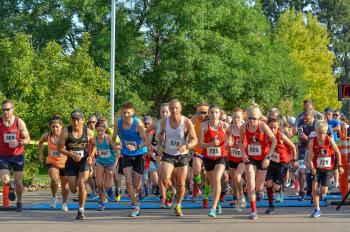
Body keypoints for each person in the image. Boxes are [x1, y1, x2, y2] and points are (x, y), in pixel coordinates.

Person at [158, 99, 198, 216]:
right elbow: (159, 135)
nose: (174, 110)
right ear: (169, 109)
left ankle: (178, 205)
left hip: (182, 155)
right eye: (171, 108)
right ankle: (171, 191)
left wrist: (187, 146)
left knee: (181, 183)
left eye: (176, 108)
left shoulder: (186, 122)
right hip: (168, 154)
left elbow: (195, 139)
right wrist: (160, 145)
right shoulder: (164, 122)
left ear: (180, 109)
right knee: (165, 179)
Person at [112, 102, 150, 217]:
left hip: (139, 154)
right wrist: (117, 148)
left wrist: (137, 146)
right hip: (126, 154)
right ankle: (136, 207)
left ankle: (139, 191)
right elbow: (113, 140)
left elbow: (147, 141)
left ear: (132, 113)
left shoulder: (137, 124)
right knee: (128, 182)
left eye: (128, 113)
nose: (126, 115)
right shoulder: (118, 124)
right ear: (121, 113)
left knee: (135, 184)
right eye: (124, 113)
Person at [239, 104, 277, 220]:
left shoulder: (263, 126)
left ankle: (260, 191)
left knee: (259, 186)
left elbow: (274, 140)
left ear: (259, 118)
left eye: (254, 118)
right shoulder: (243, 127)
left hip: (263, 157)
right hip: (250, 157)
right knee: (250, 179)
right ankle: (253, 210)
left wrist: (268, 157)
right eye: (249, 118)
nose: (251, 121)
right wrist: (243, 154)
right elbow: (241, 142)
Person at [57, 109, 96, 220]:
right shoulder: (66, 131)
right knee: (74, 189)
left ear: (83, 120)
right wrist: (71, 154)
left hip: (84, 162)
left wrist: (91, 156)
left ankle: (81, 210)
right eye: (73, 119)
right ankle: (79, 190)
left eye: (78, 120)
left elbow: (95, 145)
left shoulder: (88, 132)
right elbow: (59, 148)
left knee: (82, 183)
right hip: (71, 162)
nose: (75, 122)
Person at [306, 120, 344, 217]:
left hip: (328, 169)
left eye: (323, 133)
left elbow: (338, 153)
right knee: (314, 189)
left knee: (323, 190)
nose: (322, 135)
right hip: (317, 168)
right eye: (319, 133)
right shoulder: (312, 141)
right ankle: (317, 209)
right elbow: (309, 158)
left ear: (326, 132)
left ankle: (322, 193)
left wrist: (339, 166)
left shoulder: (329, 139)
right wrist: (312, 166)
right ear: (315, 131)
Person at [199, 104, 229, 217]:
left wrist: (229, 143)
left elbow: (231, 137)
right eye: (211, 112)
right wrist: (211, 144)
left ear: (220, 114)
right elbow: (200, 144)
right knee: (213, 183)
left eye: (216, 112)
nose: (214, 115)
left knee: (217, 179)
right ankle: (217, 203)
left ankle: (213, 208)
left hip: (221, 156)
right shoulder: (203, 126)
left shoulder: (224, 125)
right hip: (208, 157)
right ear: (209, 114)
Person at [0, 99, 30, 212]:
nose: (5, 112)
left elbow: (28, 138)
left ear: (13, 109)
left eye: (8, 109)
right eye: (3, 110)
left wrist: (18, 143)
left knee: (19, 181)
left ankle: (19, 201)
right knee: (5, 179)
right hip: (3, 156)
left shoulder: (19, 122)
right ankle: (10, 184)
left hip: (17, 155)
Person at [264, 118, 298, 215]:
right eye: (271, 128)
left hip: (282, 164)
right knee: (269, 183)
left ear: (278, 127)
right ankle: (271, 206)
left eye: (275, 128)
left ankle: (279, 192)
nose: (273, 130)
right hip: (272, 162)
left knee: (275, 186)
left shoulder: (281, 136)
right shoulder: (266, 136)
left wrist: (294, 160)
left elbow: (292, 146)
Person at [38, 115, 69, 211]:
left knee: (65, 185)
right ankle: (54, 197)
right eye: (53, 127)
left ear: (61, 127)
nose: (55, 129)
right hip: (52, 161)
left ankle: (64, 202)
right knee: (54, 179)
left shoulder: (66, 136)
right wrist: (41, 154)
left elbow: (73, 145)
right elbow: (40, 142)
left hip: (65, 163)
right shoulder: (47, 136)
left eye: (57, 127)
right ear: (50, 127)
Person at [146, 103, 170, 207]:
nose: (164, 114)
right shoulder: (157, 123)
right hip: (159, 152)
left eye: (166, 112)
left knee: (170, 177)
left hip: (172, 152)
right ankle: (164, 197)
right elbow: (145, 132)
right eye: (162, 111)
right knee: (161, 175)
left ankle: (170, 195)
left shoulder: (175, 123)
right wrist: (149, 145)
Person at [91, 121, 118, 211]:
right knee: (99, 184)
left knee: (106, 186)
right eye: (98, 130)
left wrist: (115, 164)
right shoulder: (94, 140)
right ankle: (101, 202)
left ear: (104, 130)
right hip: (100, 163)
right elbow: (91, 146)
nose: (99, 133)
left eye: (101, 130)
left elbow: (117, 152)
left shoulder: (108, 139)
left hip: (110, 164)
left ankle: (107, 192)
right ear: (96, 130)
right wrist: (91, 155)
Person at [225, 108, 246, 212]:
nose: (236, 119)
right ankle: (238, 201)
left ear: (242, 117)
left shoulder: (246, 127)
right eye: (234, 117)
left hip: (243, 158)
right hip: (232, 157)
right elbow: (225, 144)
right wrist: (227, 144)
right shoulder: (229, 129)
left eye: (238, 117)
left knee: (237, 177)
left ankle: (242, 195)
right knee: (234, 181)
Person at [191, 103, 209, 206]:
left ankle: (205, 198)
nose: (201, 115)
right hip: (198, 150)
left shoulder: (212, 121)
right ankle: (197, 185)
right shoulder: (194, 119)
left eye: (204, 113)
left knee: (208, 177)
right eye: (199, 113)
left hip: (209, 152)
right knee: (196, 171)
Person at [296, 109, 317, 201]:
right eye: (304, 119)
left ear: (312, 117)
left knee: (313, 172)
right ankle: (301, 191)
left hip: (314, 150)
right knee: (301, 171)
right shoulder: (301, 122)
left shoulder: (317, 124)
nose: (305, 121)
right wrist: (309, 139)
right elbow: (300, 136)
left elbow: (316, 139)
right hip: (303, 149)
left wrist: (308, 138)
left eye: (307, 119)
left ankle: (314, 191)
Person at [87, 115, 98, 200]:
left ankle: (103, 192)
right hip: (91, 156)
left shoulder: (101, 131)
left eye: (93, 122)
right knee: (89, 175)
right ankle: (94, 192)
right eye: (89, 122)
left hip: (102, 156)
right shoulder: (86, 132)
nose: (91, 124)